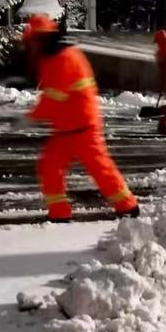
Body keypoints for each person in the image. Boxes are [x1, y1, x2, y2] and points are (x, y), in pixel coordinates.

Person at [23, 15, 140, 221]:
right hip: (67, 127)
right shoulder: (53, 57)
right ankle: (59, 212)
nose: (29, 47)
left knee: (100, 169)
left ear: (41, 39)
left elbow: (54, 97)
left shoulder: (64, 59)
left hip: (83, 127)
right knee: (50, 166)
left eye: (32, 41)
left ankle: (128, 206)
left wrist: (31, 117)